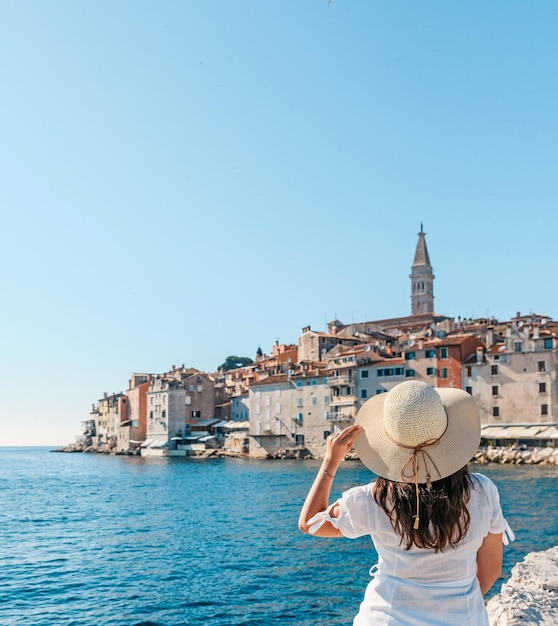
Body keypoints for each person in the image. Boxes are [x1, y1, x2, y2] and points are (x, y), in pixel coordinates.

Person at [299, 380, 514, 626]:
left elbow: (310, 523)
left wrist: (330, 461)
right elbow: (490, 571)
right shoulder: (483, 491)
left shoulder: (373, 499)